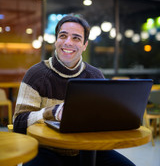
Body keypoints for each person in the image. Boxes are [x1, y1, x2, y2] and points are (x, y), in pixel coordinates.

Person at [13, 14, 135, 166]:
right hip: (47, 150)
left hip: (89, 149)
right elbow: (18, 123)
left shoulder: (95, 76)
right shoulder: (36, 74)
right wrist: (51, 112)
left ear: (84, 45)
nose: (68, 42)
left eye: (76, 38)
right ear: (56, 40)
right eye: (63, 36)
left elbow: (103, 120)